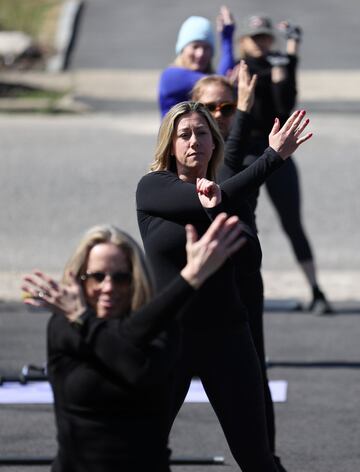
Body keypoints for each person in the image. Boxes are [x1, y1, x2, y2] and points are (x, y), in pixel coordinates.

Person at [136, 101, 312, 471]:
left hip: (227, 337)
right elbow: (204, 198)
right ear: (170, 144)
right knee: (140, 448)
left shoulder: (231, 197)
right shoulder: (153, 188)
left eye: (202, 133)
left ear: (215, 143)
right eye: (184, 135)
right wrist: (270, 158)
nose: (193, 142)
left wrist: (220, 206)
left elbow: (249, 261)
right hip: (169, 338)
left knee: (256, 455)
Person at [21, 220, 246, 472]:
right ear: (80, 280)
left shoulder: (160, 329)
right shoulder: (64, 327)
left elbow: (135, 367)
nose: (108, 287)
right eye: (97, 277)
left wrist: (84, 320)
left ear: (135, 279)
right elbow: (121, 341)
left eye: (121, 278)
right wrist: (189, 279)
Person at [191, 63, 286, 471]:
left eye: (227, 108)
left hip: (241, 281)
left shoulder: (245, 152)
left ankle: (267, 458)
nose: (219, 115)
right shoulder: (182, 152)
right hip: (191, 284)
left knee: (252, 373)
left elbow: (227, 176)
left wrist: (246, 111)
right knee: (171, 377)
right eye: (209, 108)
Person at [234, 14, 333, 314]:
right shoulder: (241, 69)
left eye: (265, 37)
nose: (262, 43)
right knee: (239, 219)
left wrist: (286, 64)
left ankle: (316, 290)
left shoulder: (280, 65)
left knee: (292, 221)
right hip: (246, 153)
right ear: (245, 42)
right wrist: (283, 64)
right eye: (256, 38)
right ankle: (237, 287)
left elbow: (285, 108)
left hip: (278, 151)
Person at [158, 6, 235, 117]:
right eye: (195, 47)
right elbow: (222, 83)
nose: (200, 53)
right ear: (182, 49)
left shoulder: (209, 76)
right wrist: (227, 39)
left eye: (206, 48)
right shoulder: (171, 75)